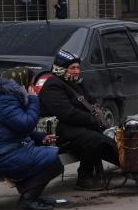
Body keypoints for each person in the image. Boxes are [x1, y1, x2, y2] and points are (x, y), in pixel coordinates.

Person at [0, 67, 63, 210]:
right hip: (0, 155)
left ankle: (32, 197)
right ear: (22, 84)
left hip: (2, 150)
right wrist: (33, 99)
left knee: (50, 158)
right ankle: (27, 201)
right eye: (30, 84)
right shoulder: (5, 101)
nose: (31, 87)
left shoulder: (3, 97)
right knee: (53, 161)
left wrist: (40, 137)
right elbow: (26, 123)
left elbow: (16, 127)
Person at [39, 49, 119, 191]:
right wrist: (93, 120)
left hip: (74, 128)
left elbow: (90, 101)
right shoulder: (53, 85)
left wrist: (97, 115)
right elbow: (67, 114)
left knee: (110, 138)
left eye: (78, 67)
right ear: (61, 69)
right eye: (72, 68)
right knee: (94, 140)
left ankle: (133, 164)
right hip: (58, 131)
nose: (77, 71)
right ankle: (84, 178)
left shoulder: (74, 83)